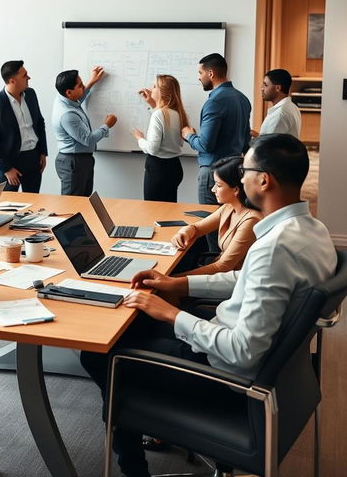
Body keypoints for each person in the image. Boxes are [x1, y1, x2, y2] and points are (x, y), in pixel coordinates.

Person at [80, 133, 336, 477]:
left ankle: (137, 444)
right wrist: (176, 284)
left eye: (245, 169)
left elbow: (243, 351)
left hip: (226, 375)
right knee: (137, 322)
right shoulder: (313, 230)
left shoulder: (274, 247)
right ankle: (148, 412)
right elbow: (245, 281)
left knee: (101, 354)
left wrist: (170, 313)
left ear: (264, 180)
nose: (241, 178)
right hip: (268, 364)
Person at [181, 53, 251, 249]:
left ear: (211, 73)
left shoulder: (215, 101)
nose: (198, 77)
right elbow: (246, 141)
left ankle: (213, 268)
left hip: (214, 173)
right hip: (236, 171)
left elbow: (205, 145)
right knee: (230, 226)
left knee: (212, 229)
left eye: (200, 72)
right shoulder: (242, 99)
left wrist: (188, 135)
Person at [171, 156, 261, 276]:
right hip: (218, 271)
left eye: (218, 185)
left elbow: (223, 267)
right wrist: (183, 232)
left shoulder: (251, 220)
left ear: (235, 189)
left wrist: (174, 280)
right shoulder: (229, 207)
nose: (213, 190)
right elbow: (197, 228)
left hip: (231, 281)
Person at [52, 66, 117, 196]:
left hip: (80, 160)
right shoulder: (67, 115)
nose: (83, 87)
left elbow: (78, 99)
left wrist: (91, 82)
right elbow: (88, 139)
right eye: (80, 85)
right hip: (73, 162)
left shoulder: (63, 98)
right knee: (73, 204)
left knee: (83, 201)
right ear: (69, 92)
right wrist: (106, 125)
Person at [0, 60, 47, 193]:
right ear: (12, 81)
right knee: (7, 206)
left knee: (33, 203)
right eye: (24, 75)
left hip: (34, 159)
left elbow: (40, 122)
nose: (29, 78)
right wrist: (6, 169)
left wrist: (42, 152)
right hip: (10, 163)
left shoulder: (31, 94)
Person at [132, 74, 188, 202]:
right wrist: (153, 105)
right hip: (174, 167)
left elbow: (152, 149)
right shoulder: (177, 113)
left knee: (152, 211)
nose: (151, 89)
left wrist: (139, 138)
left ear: (162, 92)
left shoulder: (158, 115)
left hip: (158, 169)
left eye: (154, 86)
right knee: (168, 211)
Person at [252, 68, 301, 138]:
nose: (262, 89)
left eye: (265, 85)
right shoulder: (292, 107)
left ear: (278, 88)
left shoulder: (280, 114)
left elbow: (269, 145)